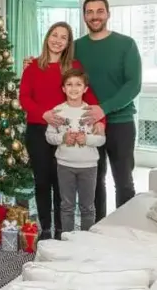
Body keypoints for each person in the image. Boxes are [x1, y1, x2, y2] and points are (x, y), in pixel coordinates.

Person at [22, 0, 141, 221]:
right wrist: (31, 63)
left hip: (119, 122)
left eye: (99, 11)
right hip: (85, 122)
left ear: (108, 14)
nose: (95, 16)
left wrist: (103, 110)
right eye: (89, 12)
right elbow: (54, 61)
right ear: (84, 16)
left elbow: (133, 85)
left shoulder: (126, 44)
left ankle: (125, 228)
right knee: (94, 181)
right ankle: (95, 227)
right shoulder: (77, 47)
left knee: (123, 181)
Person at [19, 22, 105, 240]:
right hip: (38, 130)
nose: (58, 40)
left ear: (68, 43)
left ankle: (61, 229)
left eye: (63, 37)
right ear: (47, 37)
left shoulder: (73, 66)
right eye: (54, 35)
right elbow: (24, 98)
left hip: (66, 131)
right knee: (42, 182)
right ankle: (45, 228)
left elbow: (90, 97)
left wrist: (102, 121)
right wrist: (44, 114)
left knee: (61, 184)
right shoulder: (32, 67)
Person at [45, 69, 106, 233]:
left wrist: (87, 139)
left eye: (78, 84)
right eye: (69, 84)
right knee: (67, 206)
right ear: (63, 88)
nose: (74, 88)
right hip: (64, 165)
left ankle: (85, 240)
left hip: (88, 166)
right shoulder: (57, 111)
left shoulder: (92, 112)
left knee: (87, 207)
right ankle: (67, 239)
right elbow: (49, 136)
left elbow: (101, 139)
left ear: (85, 89)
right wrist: (63, 138)